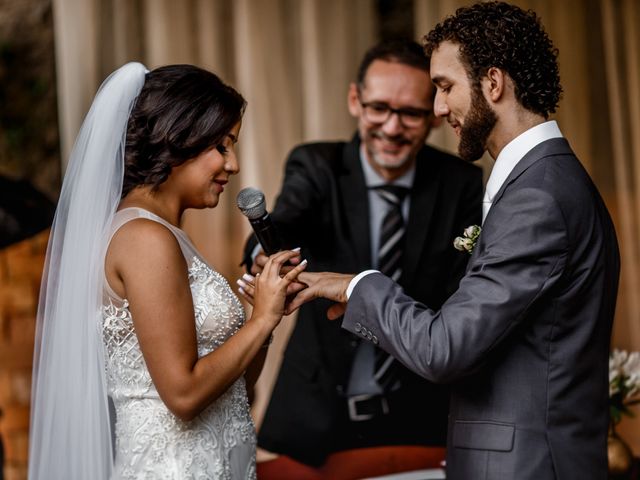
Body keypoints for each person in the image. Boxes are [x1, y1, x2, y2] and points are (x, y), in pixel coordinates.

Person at [277, 2, 621, 479]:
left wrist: (355, 287)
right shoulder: (543, 180)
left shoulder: (537, 197)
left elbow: (446, 348)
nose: (438, 109)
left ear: (493, 83)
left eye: (444, 87)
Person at [28, 63, 306, 479]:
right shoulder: (144, 237)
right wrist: (262, 318)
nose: (233, 166)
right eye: (222, 146)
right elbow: (184, 394)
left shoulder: (167, 236)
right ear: (178, 140)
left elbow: (238, 394)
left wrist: (262, 320)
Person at [242, 39, 482, 467]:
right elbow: (288, 217)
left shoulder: (460, 182)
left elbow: (459, 299)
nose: (392, 127)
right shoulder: (317, 165)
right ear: (356, 100)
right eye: (379, 108)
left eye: (410, 112)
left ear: (434, 113)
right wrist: (263, 252)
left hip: (423, 416)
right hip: (314, 420)